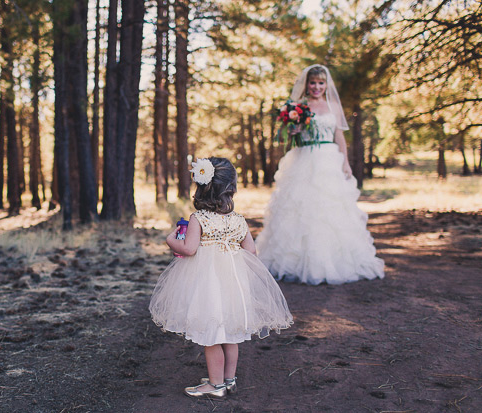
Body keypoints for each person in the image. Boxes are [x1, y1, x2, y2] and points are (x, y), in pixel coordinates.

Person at [149, 157, 293, 399]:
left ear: (202, 187)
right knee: (231, 333)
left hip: (209, 283)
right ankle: (229, 379)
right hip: (233, 282)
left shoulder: (199, 219)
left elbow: (189, 249)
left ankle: (215, 386)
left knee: (212, 335)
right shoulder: (238, 219)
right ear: (231, 188)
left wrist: (172, 240)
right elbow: (251, 251)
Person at [255, 64, 385, 285]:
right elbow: (288, 136)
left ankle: (333, 261)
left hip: (328, 159)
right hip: (304, 157)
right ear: (307, 84)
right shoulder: (298, 106)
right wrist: (294, 130)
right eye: (313, 83)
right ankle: (297, 261)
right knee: (300, 208)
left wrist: (345, 161)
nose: (317, 87)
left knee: (330, 209)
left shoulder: (333, 105)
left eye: (321, 83)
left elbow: (340, 137)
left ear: (326, 85)